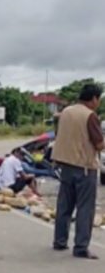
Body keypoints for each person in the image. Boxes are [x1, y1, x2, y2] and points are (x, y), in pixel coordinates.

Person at [52, 84, 104, 259]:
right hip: (84, 167)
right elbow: (99, 144)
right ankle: (81, 247)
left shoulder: (66, 112)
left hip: (65, 164)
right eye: (99, 99)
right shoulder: (90, 116)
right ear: (94, 99)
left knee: (64, 206)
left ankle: (59, 241)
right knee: (85, 208)